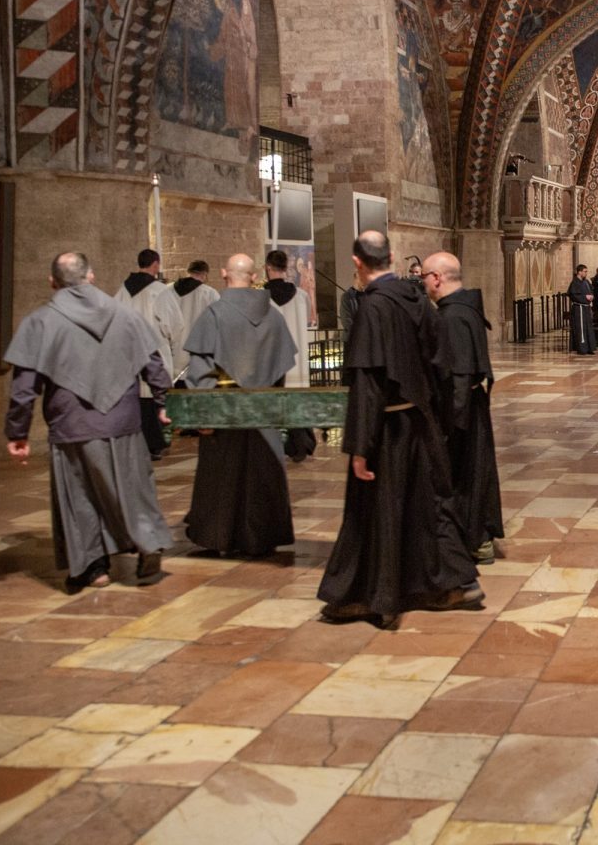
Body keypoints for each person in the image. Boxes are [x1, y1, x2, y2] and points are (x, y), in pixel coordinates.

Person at [318, 231, 469, 628]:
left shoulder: (372, 307)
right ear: (390, 257)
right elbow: (442, 364)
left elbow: (368, 384)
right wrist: (436, 420)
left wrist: (360, 446)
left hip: (385, 431)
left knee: (376, 512)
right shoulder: (417, 300)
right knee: (423, 509)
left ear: (357, 262)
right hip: (419, 423)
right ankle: (438, 586)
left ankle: (372, 596)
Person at [4, 252, 174, 591]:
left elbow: (25, 385)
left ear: (52, 282)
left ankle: (94, 568)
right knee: (133, 488)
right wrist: (164, 402)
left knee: (79, 495)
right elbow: (153, 364)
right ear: (91, 276)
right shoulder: (125, 314)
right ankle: (148, 543)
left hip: (72, 422)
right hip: (123, 419)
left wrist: (17, 432)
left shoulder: (40, 322)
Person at [182, 254, 297, 557]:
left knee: (223, 477)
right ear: (254, 276)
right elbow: (281, 371)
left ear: (223, 274)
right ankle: (261, 538)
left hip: (224, 414)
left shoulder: (214, 315)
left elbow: (201, 371)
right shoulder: (274, 317)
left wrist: (204, 417)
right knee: (262, 476)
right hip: (263, 413)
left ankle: (220, 536)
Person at [423, 251, 503, 572]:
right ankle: (475, 537)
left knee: (464, 476)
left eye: (424, 277)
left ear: (437, 278)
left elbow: (458, 373)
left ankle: (474, 540)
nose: (422, 283)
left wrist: (449, 426)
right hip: (471, 406)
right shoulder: (465, 308)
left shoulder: (452, 316)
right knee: (474, 474)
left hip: (461, 412)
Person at [114, 248, 183, 458]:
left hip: (129, 354)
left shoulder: (122, 290)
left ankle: (138, 443)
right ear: (155, 264)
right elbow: (174, 325)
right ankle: (156, 443)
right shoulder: (161, 291)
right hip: (155, 351)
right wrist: (173, 342)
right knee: (155, 396)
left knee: (138, 398)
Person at [265, 250, 316, 460]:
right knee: (296, 402)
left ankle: (275, 445)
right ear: (286, 268)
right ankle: (300, 445)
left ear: (268, 268)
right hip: (296, 360)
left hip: (272, 359)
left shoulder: (261, 298)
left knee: (273, 404)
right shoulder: (301, 296)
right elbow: (307, 319)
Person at [171, 260, 220, 378]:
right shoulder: (210, 294)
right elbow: (218, 325)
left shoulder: (169, 291)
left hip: (174, 353)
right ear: (204, 275)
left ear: (188, 272)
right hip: (198, 355)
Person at [568, 265, 595, 354]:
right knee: (581, 328)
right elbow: (574, 295)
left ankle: (589, 348)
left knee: (588, 327)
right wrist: (585, 297)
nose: (586, 273)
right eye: (585, 271)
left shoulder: (586, 282)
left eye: (586, 271)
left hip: (586, 308)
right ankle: (582, 348)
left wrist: (591, 296)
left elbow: (591, 291)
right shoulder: (574, 283)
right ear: (579, 272)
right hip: (579, 308)